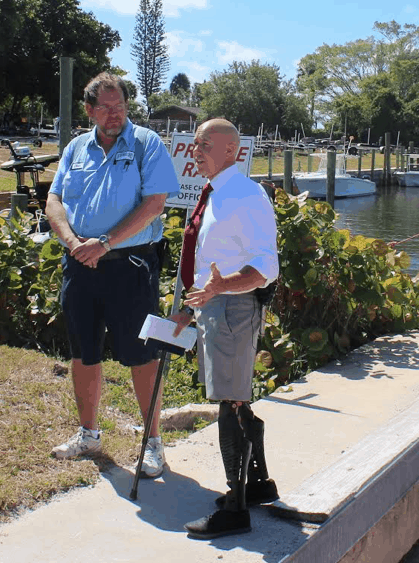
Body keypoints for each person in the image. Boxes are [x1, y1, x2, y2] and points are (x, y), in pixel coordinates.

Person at [45, 72, 179, 479]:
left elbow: (155, 204)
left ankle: (152, 443)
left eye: (119, 105)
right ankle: (88, 434)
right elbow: (54, 199)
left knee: (142, 355)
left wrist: (103, 242)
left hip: (131, 267)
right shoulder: (76, 148)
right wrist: (73, 243)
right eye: (104, 106)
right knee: (83, 353)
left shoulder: (146, 144)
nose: (114, 113)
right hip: (79, 264)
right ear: (89, 110)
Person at [170, 118, 279, 539]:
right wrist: (189, 305)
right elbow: (204, 256)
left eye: (203, 144)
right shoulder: (215, 193)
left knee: (229, 405)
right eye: (195, 144)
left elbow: (266, 268)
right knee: (237, 400)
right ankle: (258, 487)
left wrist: (220, 288)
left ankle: (235, 509)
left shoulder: (245, 195)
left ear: (232, 148)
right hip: (216, 308)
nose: (195, 151)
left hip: (232, 310)